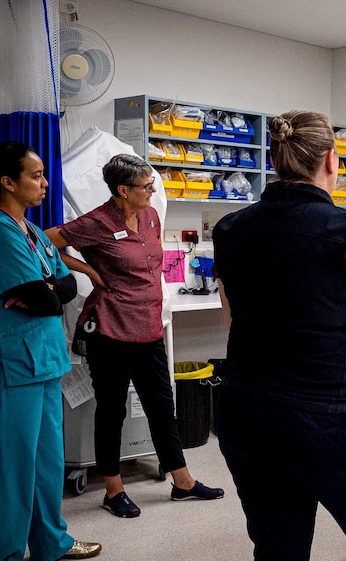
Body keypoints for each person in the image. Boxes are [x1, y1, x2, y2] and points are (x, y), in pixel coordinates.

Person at [212, 110, 346, 560]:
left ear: (276, 160)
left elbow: (235, 319)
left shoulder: (230, 230)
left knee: (278, 543)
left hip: (247, 411)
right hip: (331, 415)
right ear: (331, 160)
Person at [44, 154, 224, 518]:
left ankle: (183, 481)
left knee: (162, 404)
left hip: (149, 326)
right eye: (146, 186)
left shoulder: (150, 215)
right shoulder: (96, 221)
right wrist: (90, 272)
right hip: (111, 328)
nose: (152, 190)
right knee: (111, 410)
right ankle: (113, 490)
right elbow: (48, 242)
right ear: (122, 190)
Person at [0, 142, 101, 560]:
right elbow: (43, 299)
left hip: (42, 362)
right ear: (8, 182)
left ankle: (50, 544)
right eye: (36, 175)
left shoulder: (34, 232)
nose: (44, 183)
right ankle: (0, 554)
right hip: (9, 367)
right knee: (10, 471)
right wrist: (47, 292)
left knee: (45, 465)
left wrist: (48, 290)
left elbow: (66, 286)